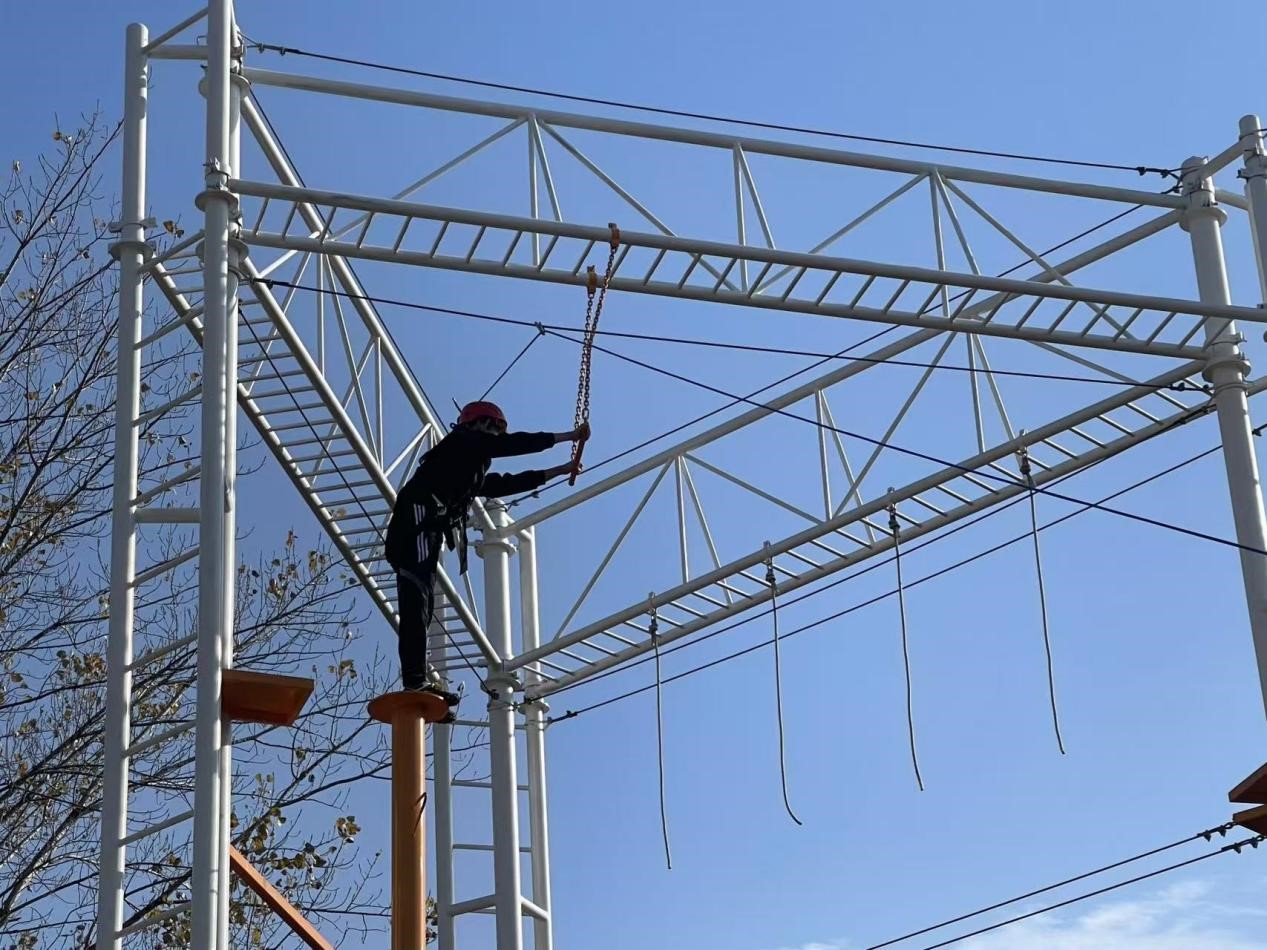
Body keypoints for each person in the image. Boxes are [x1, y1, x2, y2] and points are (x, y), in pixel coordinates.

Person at [384, 400, 588, 700]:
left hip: (424, 526)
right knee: (417, 597)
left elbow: (503, 484)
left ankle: (417, 682)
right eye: (493, 429)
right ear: (478, 425)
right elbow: (513, 445)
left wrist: (558, 470)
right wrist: (568, 436)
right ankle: (414, 680)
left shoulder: (468, 467)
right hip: (418, 520)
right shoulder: (464, 443)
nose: (495, 435)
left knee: (422, 604)